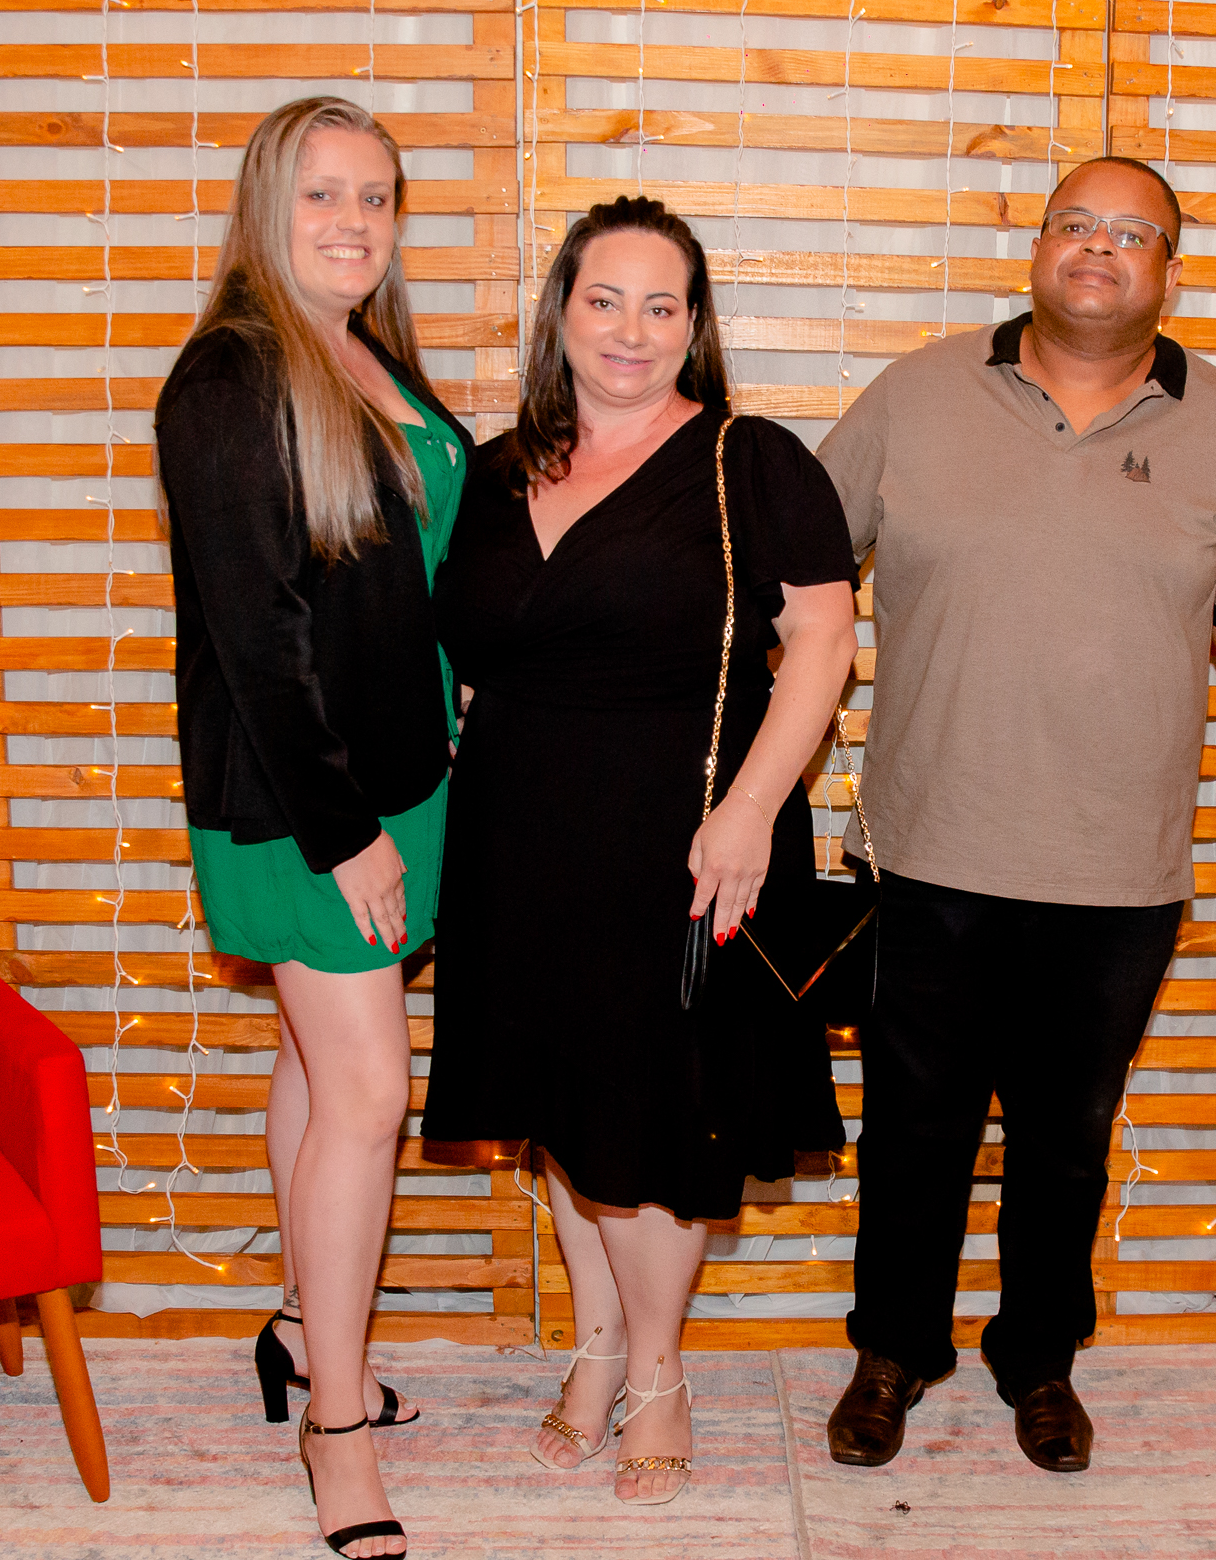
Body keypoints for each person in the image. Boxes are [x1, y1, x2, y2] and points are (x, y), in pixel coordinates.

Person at [816, 156, 1216, 1474]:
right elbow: (803, 574)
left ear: (1169, 272)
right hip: (927, 849)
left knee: (1066, 1141)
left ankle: (1039, 1359)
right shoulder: (918, 394)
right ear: (1036, 248)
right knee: (913, 1129)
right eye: (1075, 223)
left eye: (1131, 232)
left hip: (1118, 872)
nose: (1099, 246)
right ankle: (892, 1350)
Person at [418, 197, 858, 1506]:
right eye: (604, 299)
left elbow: (823, 644)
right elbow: (463, 646)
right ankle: (598, 1345)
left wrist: (751, 808)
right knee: (565, 1112)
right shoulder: (495, 469)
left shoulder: (750, 461)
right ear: (560, 312)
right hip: (519, 836)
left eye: (661, 305)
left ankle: (658, 1369)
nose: (630, 329)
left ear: (695, 323)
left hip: (687, 839)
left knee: (655, 1121)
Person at [157, 97, 473, 1559]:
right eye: (323, 194)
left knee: (312, 1058)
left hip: (401, 778)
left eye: (377, 197)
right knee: (367, 1097)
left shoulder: (363, 349)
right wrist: (347, 834)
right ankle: (335, 1428)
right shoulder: (229, 377)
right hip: (305, 802)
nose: (355, 222)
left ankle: (299, 1332)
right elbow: (260, 639)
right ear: (265, 206)